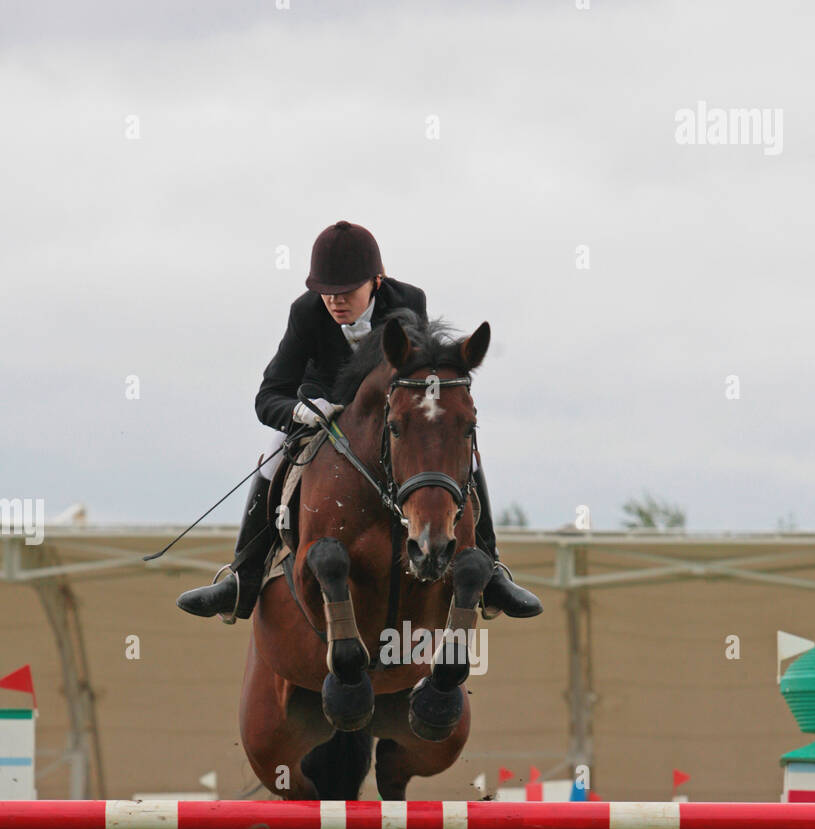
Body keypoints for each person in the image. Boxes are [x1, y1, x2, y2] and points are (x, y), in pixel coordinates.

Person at [177, 220, 542, 622]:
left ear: (377, 281)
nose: (334, 301)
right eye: (326, 292)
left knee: (467, 454)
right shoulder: (305, 313)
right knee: (272, 451)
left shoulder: (408, 300)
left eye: (345, 292)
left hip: (386, 412)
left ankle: (490, 570)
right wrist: (301, 410)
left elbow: (419, 373)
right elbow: (268, 396)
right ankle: (242, 578)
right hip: (325, 411)